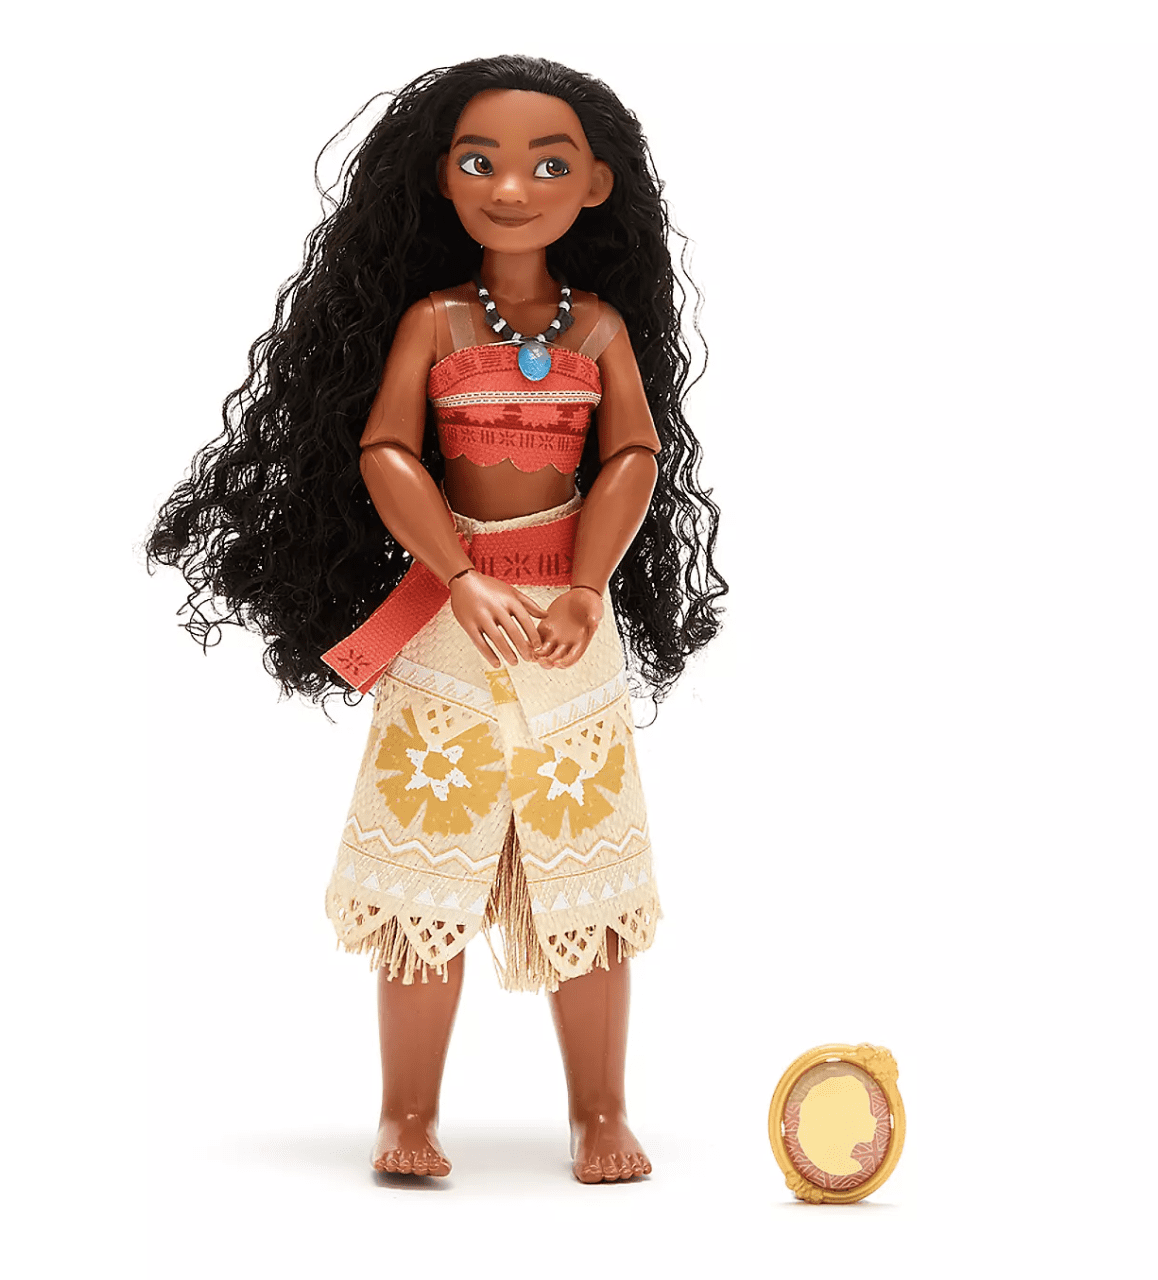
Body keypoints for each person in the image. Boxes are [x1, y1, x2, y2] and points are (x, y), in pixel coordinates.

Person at [148, 54, 725, 1184]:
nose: (511, 189)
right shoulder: (437, 322)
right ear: (441, 178)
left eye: (547, 166)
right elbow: (387, 450)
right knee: (423, 868)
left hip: (564, 628)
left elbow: (632, 455)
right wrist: (458, 572)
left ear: (595, 185)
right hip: (452, 626)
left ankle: (600, 1109)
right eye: (479, 163)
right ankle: (405, 1111)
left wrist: (586, 585)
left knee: (587, 873)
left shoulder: (600, 331)